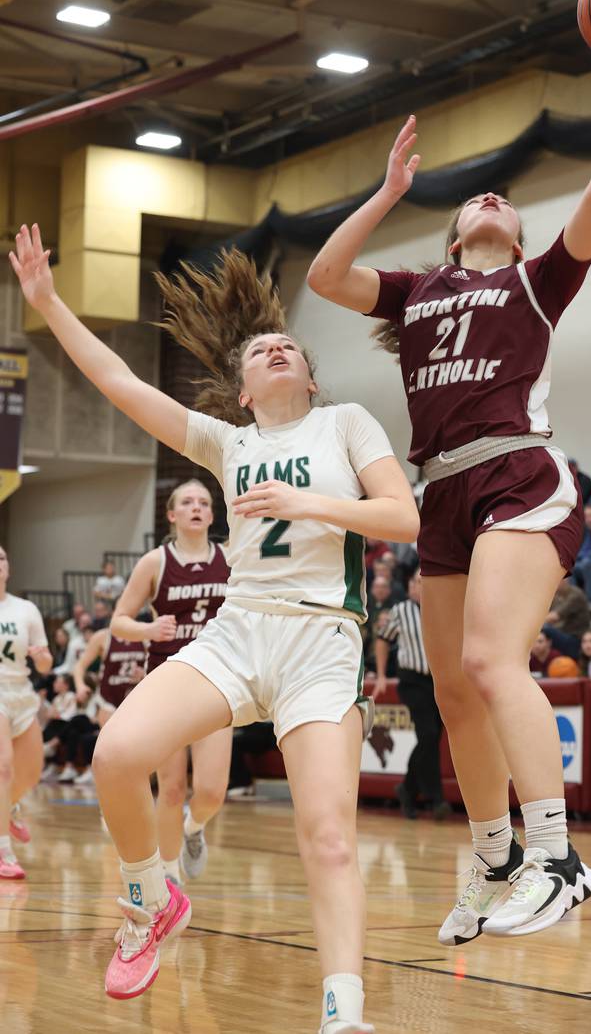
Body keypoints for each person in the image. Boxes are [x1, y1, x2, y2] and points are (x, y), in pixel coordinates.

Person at [308, 24, 591, 945]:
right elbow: (322, 275)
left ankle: (557, 856)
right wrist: (388, 191)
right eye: (480, 197)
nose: (493, 199)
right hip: (443, 495)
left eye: (507, 201)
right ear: (451, 232)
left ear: (515, 231)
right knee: (453, 693)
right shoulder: (419, 289)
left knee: (487, 661)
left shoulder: (539, 282)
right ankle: (494, 855)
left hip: (520, 472)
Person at [11, 224, 418, 1033]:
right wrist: (51, 304)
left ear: (307, 374)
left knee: (328, 833)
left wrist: (309, 502)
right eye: (260, 348)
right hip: (238, 633)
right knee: (117, 754)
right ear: (240, 391)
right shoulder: (228, 442)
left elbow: (404, 517)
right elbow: (121, 381)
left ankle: (344, 1014)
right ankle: (147, 904)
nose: (275, 348)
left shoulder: (346, 425)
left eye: (287, 345)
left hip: (321, 641)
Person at [111, 480, 231, 886]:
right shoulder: (155, 562)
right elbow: (118, 621)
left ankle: (194, 829)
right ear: (172, 515)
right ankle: (167, 875)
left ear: (212, 515)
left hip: (218, 679)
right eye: (187, 502)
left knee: (212, 791)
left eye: (204, 502)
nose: (196, 507)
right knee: (173, 787)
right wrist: (148, 629)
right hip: (169, 679)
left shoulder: (231, 558)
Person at [374, 570, 448, 820]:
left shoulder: (443, 607)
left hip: (438, 681)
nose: (421, 585)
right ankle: (436, 799)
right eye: (417, 582)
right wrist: (382, 675)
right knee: (427, 734)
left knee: (432, 739)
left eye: (425, 580)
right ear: (409, 587)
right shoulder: (400, 610)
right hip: (412, 680)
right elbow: (383, 640)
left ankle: (408, 789)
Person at [0, 545, 53, 878]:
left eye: (2, 558)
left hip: (21, 692)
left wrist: (39, 656)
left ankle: (7, 809)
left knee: (31, 772)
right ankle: (4, 850)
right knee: (3, 767)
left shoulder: (26, 609)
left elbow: (46, 664)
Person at [69, 626, 147, 784]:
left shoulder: (144, 634)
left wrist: (145, 673)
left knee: (133, 748)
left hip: (134, 698)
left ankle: (132, 784)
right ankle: (107, 783)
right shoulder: (103, 636)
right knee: (111, 748)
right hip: (108, 699)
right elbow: (80, 666)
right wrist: (80, 686)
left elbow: (157, 665)